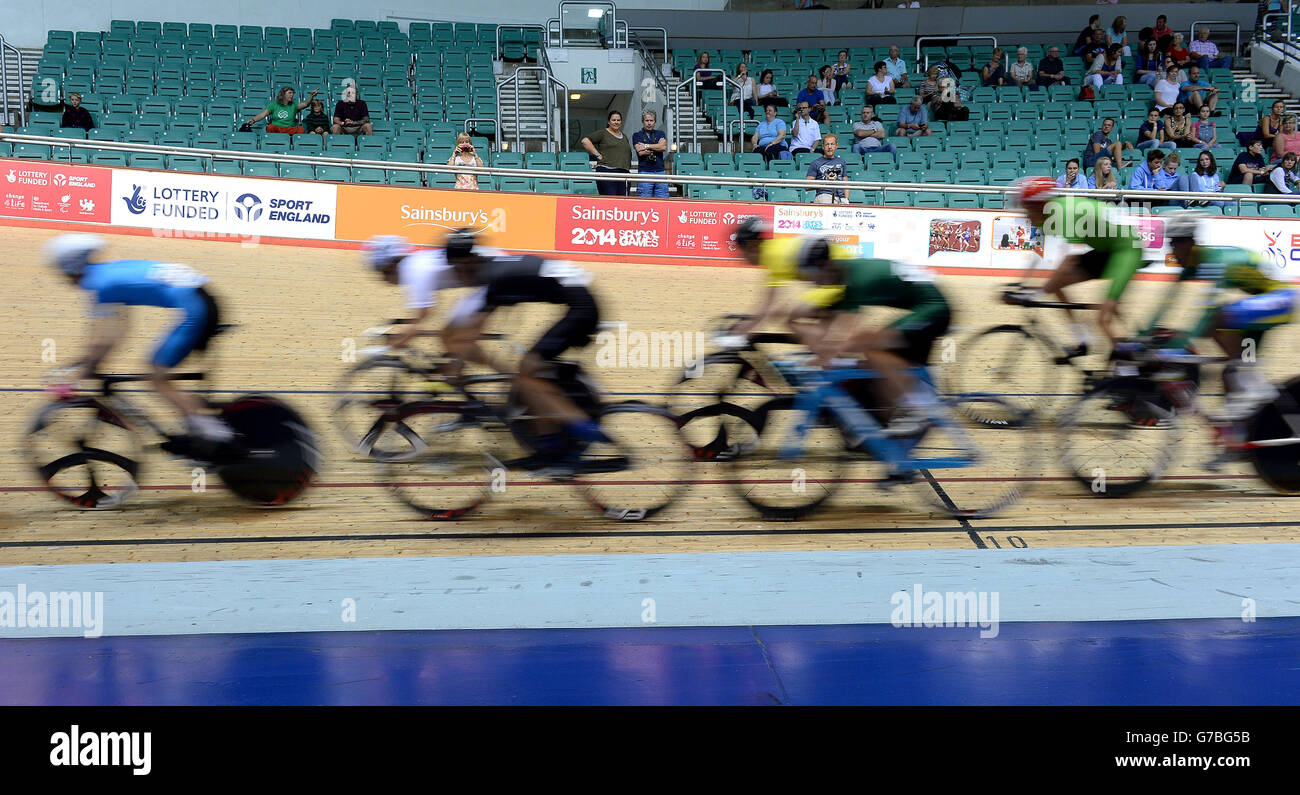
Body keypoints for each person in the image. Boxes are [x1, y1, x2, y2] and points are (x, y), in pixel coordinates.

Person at [440, 231, 615, 471]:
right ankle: (549, 444)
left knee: (526, 373)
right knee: (532, 374)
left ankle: (579, 427)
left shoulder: (493, 279)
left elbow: (470, 336)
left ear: (469, 262)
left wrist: (457, 365)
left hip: (581, 308)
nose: (457, 275)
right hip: (579, 300)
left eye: (457, 269)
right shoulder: (493, 269)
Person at [44, 234, 233, 449]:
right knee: (156, 370)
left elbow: (106, 338)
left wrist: (83, 371)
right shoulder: (105, 274)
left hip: (197, 308)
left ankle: (216, 435)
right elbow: (118, 330)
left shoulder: (99, 283)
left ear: (69, 267)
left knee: (156, 376)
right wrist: (87, 363)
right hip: (202, 299)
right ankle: (199, 427)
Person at [1143, 214, 1295, 429]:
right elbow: (1168, 302)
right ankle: (1239, 434)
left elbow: (1207, 314)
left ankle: (1250, 381)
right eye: (1170, 245)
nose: (1171, 251)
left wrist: (1175, 350)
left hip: (1282, 300)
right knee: (1231, 376)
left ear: (1189, 243)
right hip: (1264, 307)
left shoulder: (1214, 260)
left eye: (1174, 245)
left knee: (1219, 317)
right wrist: (1146, 333)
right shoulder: (1193, 265)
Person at [1007, 176, 1145, 353]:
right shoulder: (1046, 214)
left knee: (1102, 320)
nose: (1025, 215)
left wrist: (1035, 294)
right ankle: (1083, 340)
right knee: (1056, 285)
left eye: (1027, 209)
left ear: (1040, 205)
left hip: (1126, 250)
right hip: (1107, 249)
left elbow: (1069, 260)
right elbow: (1037, 253)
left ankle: (1131, 367)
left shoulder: (1066, 213)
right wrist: (1020, 285)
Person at [580, 110, 633, 196]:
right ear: (609, 122)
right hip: (607, 171)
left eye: (618, 120)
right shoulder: (603, 133)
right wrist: (598, 155)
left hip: (624, 173)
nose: (616, 122)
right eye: (614, 120)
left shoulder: (624, 136)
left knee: (623, 202)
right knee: (610, 200)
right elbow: (585, 141)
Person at [244, 86, 317, 135]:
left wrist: (311, 96)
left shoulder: (294, 105)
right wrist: (253, 120)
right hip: (277, 128)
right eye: (289, 93)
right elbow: (262, 114)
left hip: (289, 129)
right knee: (270, 127)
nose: (292, 95)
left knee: (301, 129)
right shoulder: (274, 105)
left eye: (292, 93)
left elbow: (306, 104)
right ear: (283, 94)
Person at [632, 110, 668, 198]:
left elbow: (663, 147)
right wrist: (657, 146)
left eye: (651, 121)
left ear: (655, 122)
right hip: (645, 172)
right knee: (644, 200)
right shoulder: (637, 135)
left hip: (660, 171)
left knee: (663, 200)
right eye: (647, 120)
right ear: (643, 122)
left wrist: (646, 146)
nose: (649, 123)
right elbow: (640, 151)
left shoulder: (660, 133)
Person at [806, 133, 849, 204]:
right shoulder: (816, 163)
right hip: (824, 195)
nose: (829, 147)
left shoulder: (842, 162)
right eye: (827, 144)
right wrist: (826, 181)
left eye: (832, 144)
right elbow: (807, 186)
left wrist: (846, 199)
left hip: (841, 197)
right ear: (823, 146)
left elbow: (846, 183)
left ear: (836, 146)